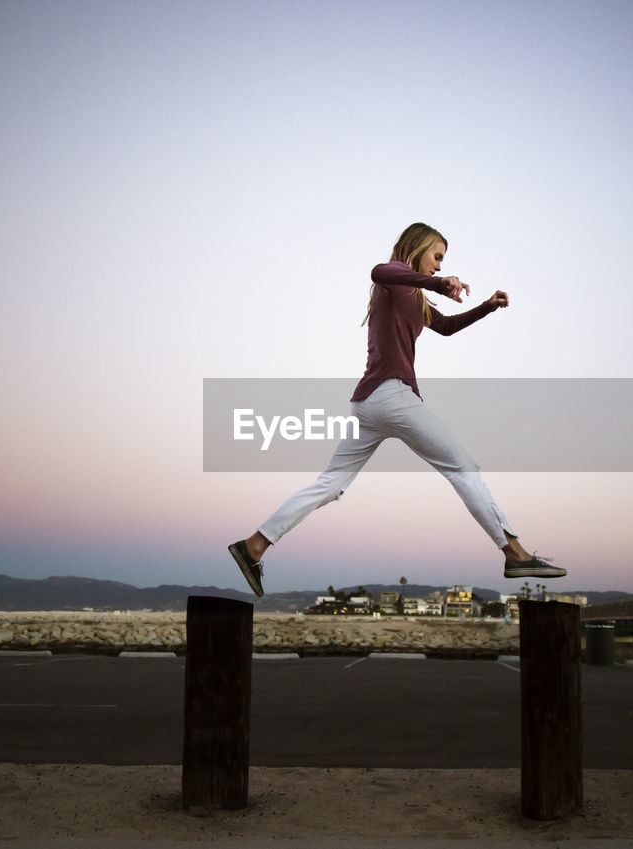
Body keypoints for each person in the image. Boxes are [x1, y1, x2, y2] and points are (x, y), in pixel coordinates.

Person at [228, 222, 565, 596]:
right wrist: (438, 283)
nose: (438, 266)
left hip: (368, 403)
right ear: (416, 248)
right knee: (463, 468)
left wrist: (486, 306)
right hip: (391, 396)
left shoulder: (415, 297)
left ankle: (254, 545)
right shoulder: (392, 281)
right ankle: (515, 553)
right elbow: (380, 269)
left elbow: (448, 327)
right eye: (436, 256)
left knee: (330, 484)